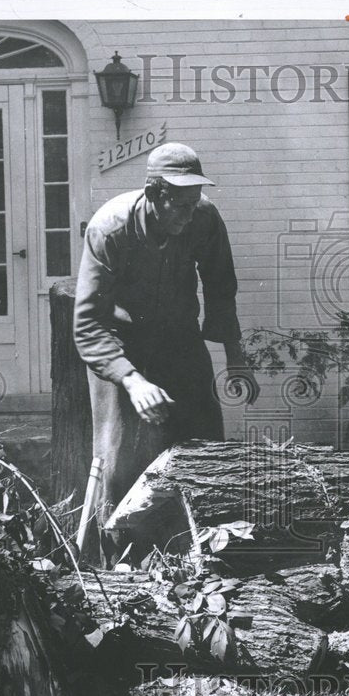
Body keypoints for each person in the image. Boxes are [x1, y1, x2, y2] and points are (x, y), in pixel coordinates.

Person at [74, 142, 259, 552]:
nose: (191, 213)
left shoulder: (203, 215)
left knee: (204, 442)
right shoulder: (109, 230)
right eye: (181, 205)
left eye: (195, 202)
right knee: (120, 456)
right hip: (120, 345)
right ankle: (121, 560)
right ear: (156, 194)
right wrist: (133, 381)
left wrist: (235, 357)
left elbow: (220, 286)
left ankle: (205, 552)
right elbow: (87, 323)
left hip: (179, 338)